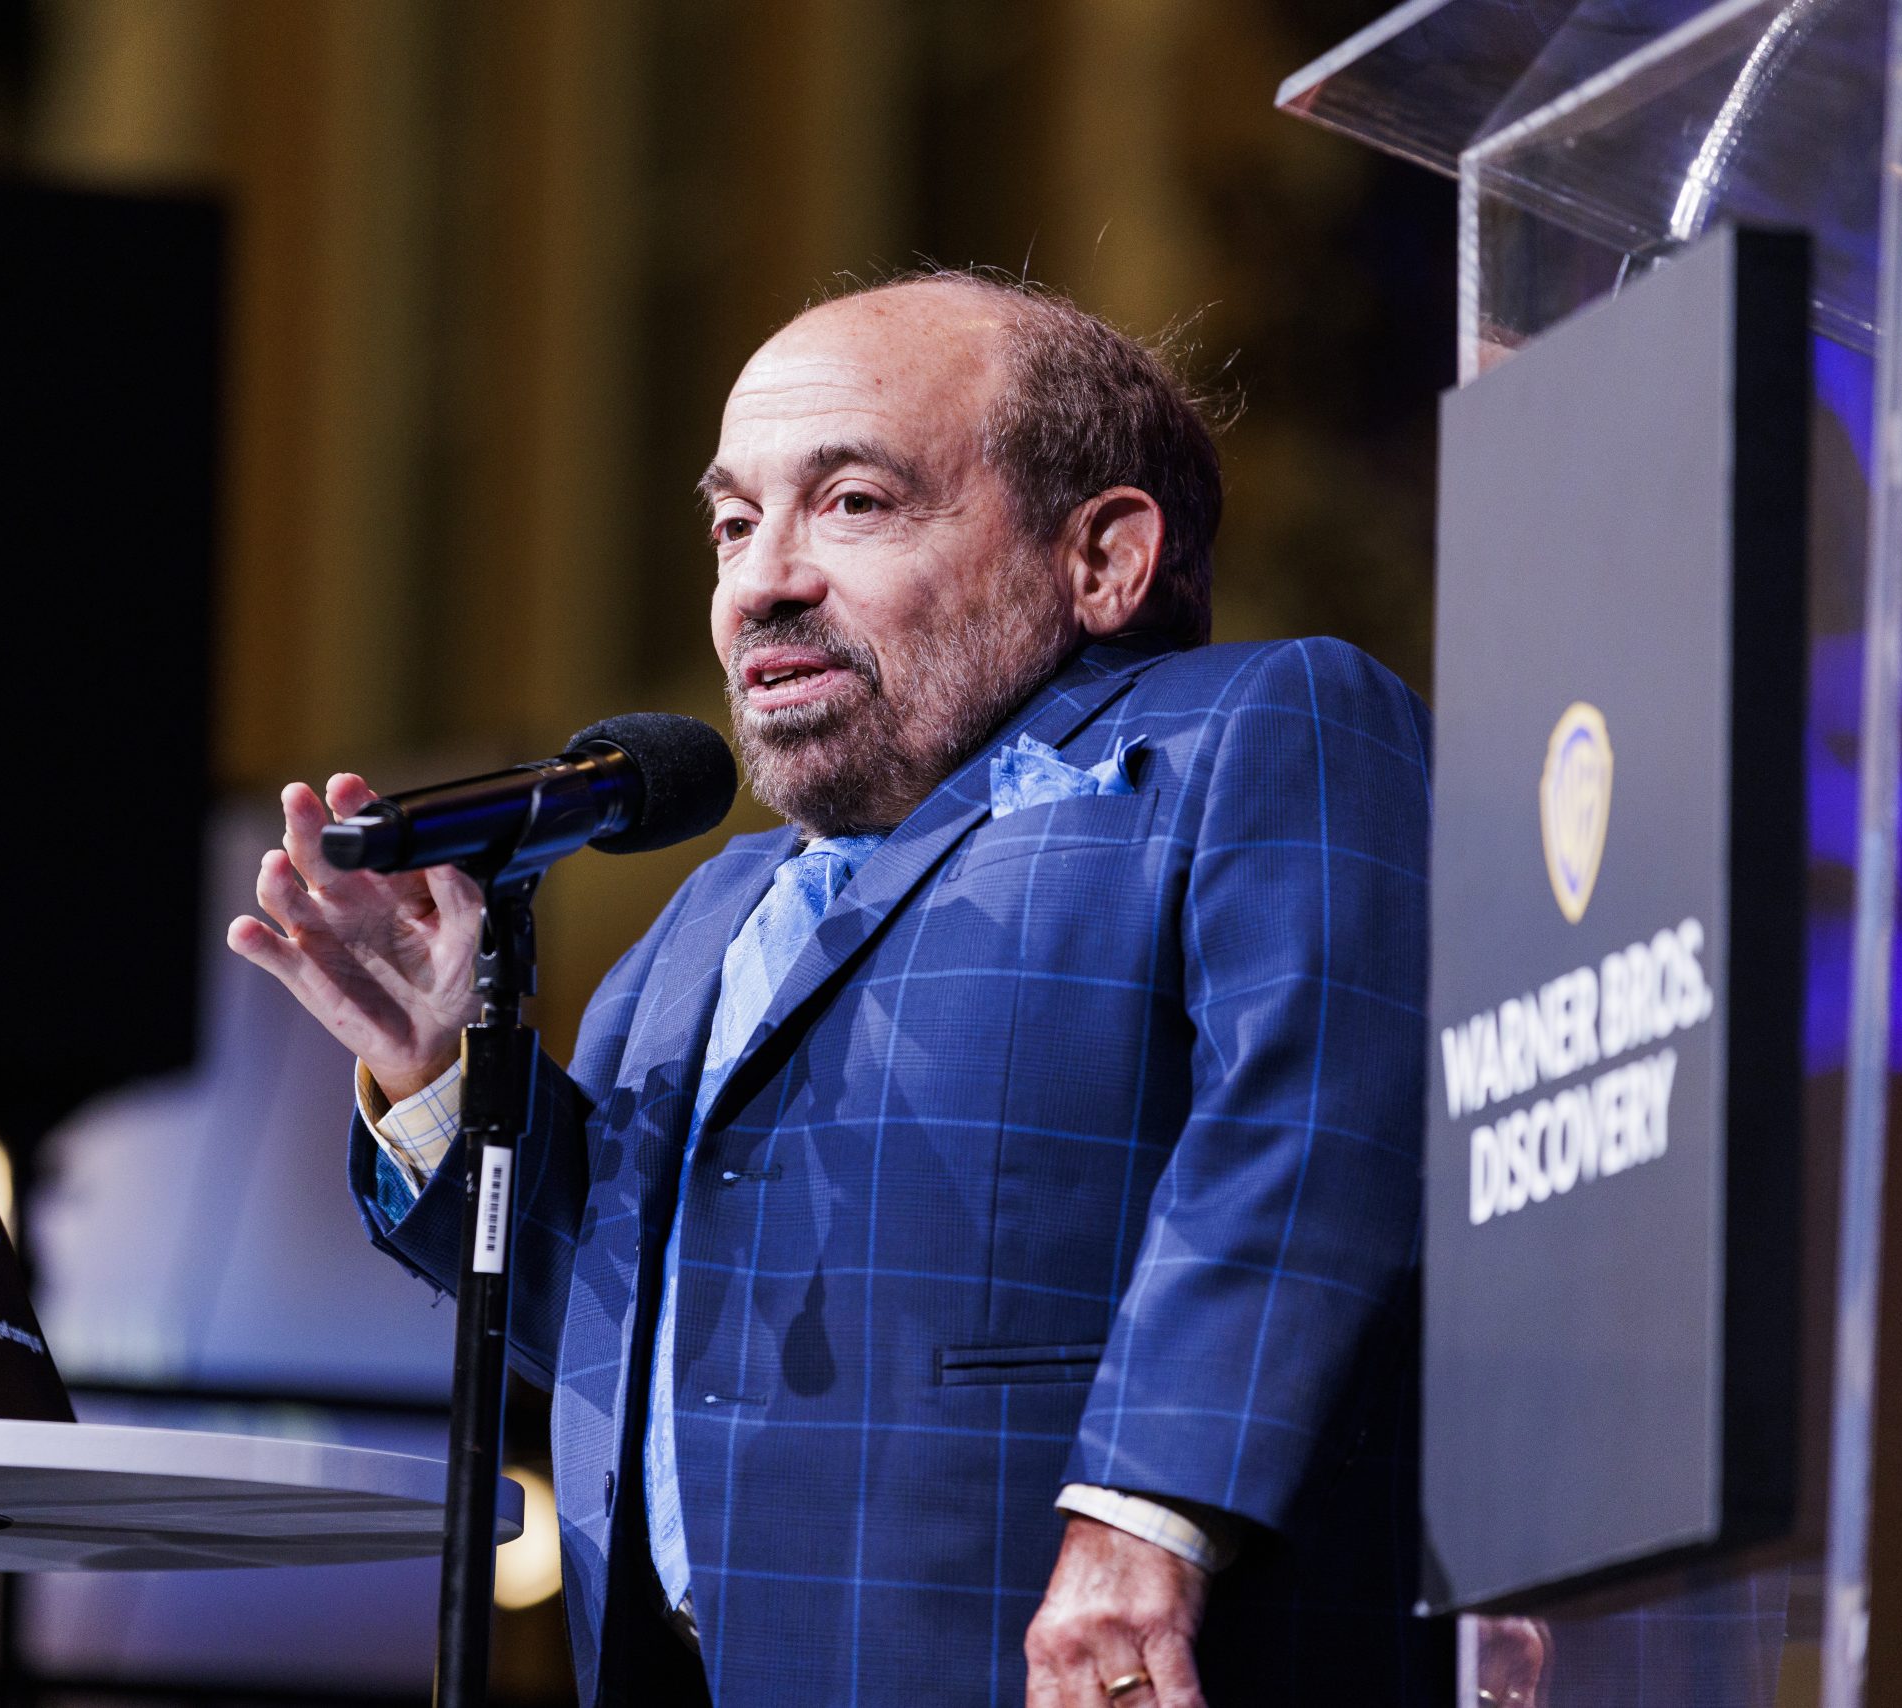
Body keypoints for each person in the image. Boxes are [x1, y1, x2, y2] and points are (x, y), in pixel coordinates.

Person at [229, 271, 1435, 1707]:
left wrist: (1143, 1517)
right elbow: (636, 1327)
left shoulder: (1249, 732)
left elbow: (1315, 1138)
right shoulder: (702, 922)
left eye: (852, 503)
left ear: (1101, 557)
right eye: (735, 523)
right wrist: (438, 1075)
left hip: (1074, 1663)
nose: (762, 579)